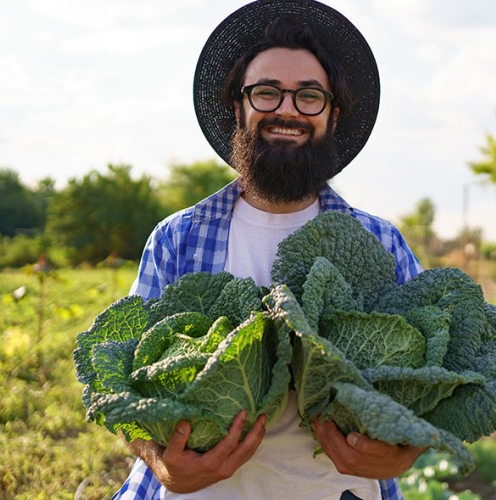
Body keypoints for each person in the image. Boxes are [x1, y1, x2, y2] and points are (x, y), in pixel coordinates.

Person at [115, 1, 425, 498]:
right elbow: (119, 378)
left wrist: (406, 451)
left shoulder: (381, 244)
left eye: (308, 96)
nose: (287, 110)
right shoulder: (176, 239)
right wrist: (159, 462)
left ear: (332, 114)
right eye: (266, 93)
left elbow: (435, 375)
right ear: (238, 106)